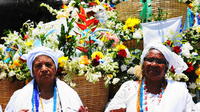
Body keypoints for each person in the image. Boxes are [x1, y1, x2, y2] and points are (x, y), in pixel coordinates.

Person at [105, 42, 199, 112]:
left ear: (166, 68)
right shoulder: (129, 88)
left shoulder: (179, 90)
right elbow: (112, 109)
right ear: (142, 65)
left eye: (159, 61)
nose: (153, 64)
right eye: (150, 60)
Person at [5, 46, 88, 112]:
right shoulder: (19, 96)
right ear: (32, 72)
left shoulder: (70, 95)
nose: (44, 69)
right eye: (38, 66)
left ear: (55, 69)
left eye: (48, 65)